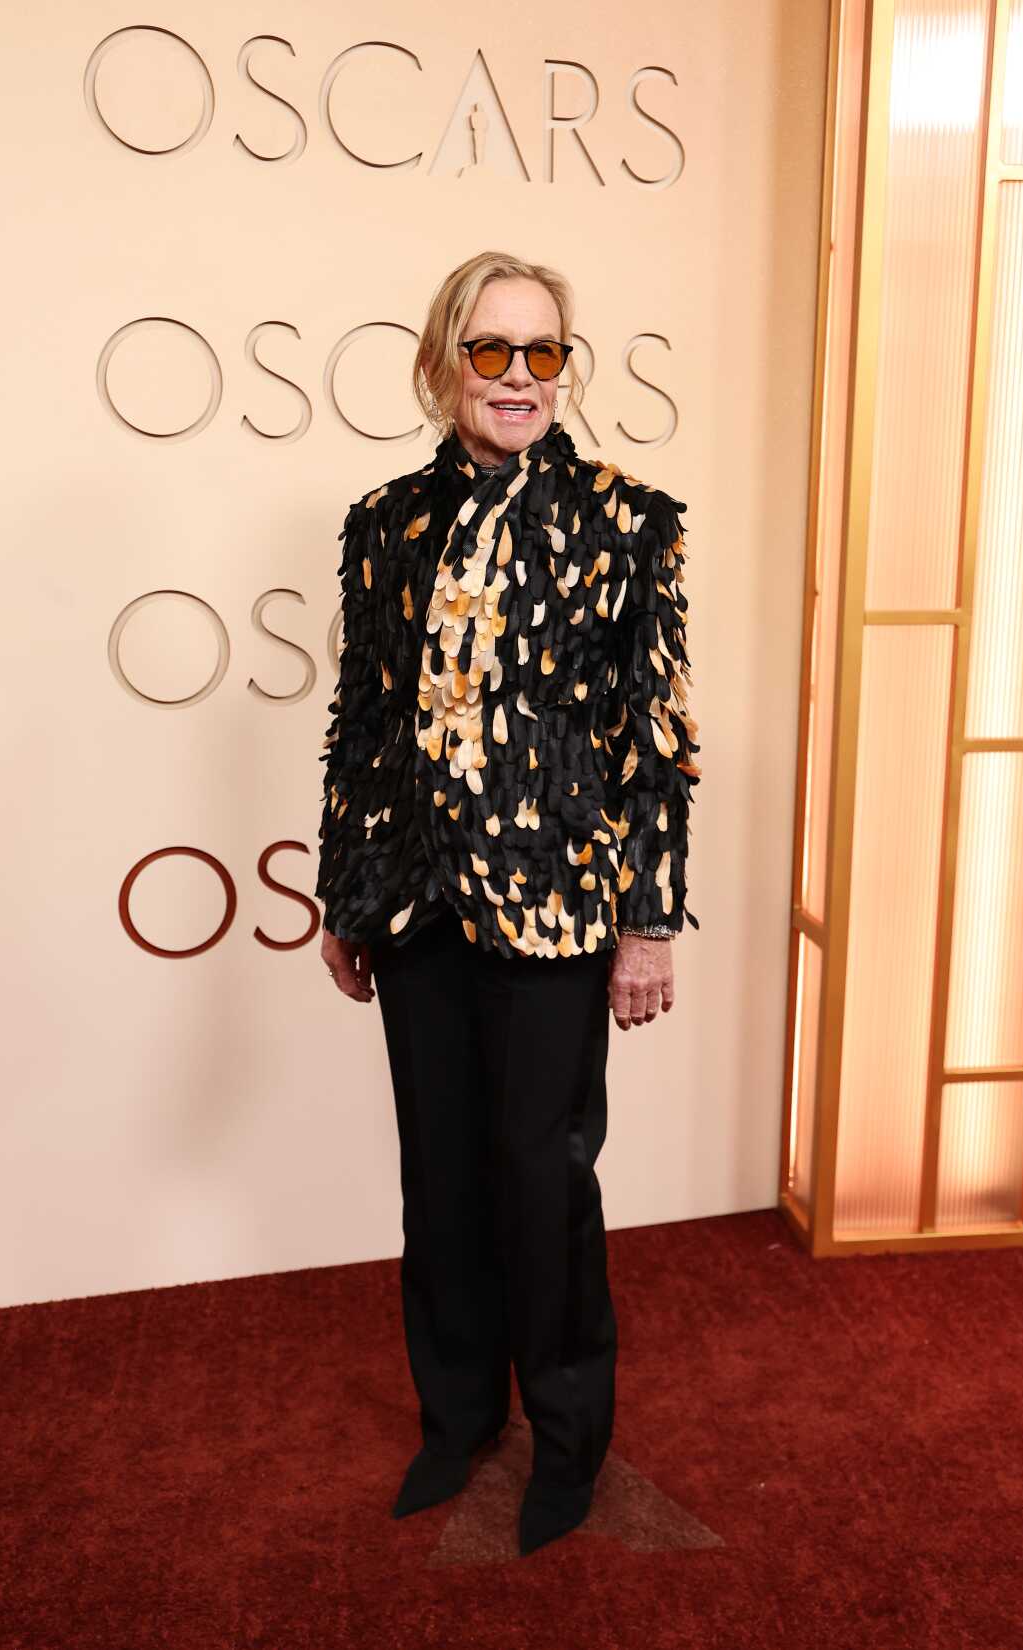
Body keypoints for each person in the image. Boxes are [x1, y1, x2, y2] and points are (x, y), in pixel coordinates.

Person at [315, 250, 700, 1556]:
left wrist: (647, 919)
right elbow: (363, 718)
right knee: (441, 1181)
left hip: (553, 919)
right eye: (493, 351)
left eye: (545, 352)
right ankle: (458, 1417)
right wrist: (344, 893)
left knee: (544, 1183)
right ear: (443, 364)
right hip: (415, 906)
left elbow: (655, 735)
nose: (522, 376)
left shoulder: (627, 523)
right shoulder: (381, 523)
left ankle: (572, 1441)